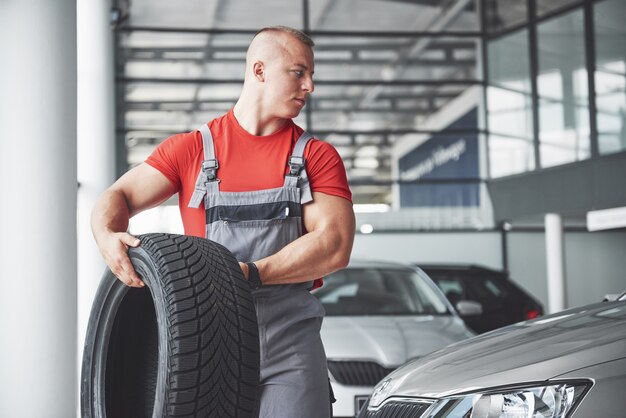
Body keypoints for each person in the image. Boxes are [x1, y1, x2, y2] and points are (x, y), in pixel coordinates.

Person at [91, 25, 355, 418]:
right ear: (260, 70)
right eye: (299, 72)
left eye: (311, 75)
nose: (310, 86)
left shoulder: (316, 156)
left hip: (290, 347)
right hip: (206, 346)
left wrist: (247, 274)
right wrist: (106, 234)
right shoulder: (191, 150)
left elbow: (334, 245)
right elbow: (118, 196)